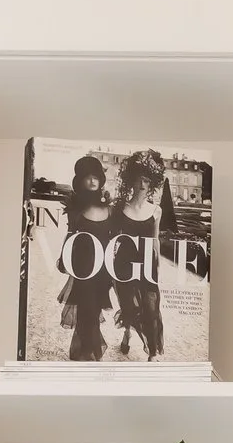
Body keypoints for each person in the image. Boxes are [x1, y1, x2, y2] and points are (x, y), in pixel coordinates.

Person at [54, 153, 118, 361]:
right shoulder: (75, 210)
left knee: (93, 307)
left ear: (100, 179)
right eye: (87, 177)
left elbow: (116, 239)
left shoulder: (109, 209)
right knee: (86, 309)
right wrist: (64, 259)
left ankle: (86, 350)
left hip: (103, 269)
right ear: (80, 180)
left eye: (95, 177)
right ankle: (89, 353)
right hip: (82, 268)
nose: (92, 180)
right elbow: (70, 234)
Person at [110, 151, 167, 361]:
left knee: (151, 309)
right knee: (131, 307)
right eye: (138, 178)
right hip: (124, 265)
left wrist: (158, 265)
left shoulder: (156, 211)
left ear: (152, 182)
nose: (142, 184)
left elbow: (155, 240)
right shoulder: (119, 209)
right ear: (131, 180)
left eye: (146, 179)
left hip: (147, 265)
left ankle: (152, 353)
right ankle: (127, 332)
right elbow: (111, 239)